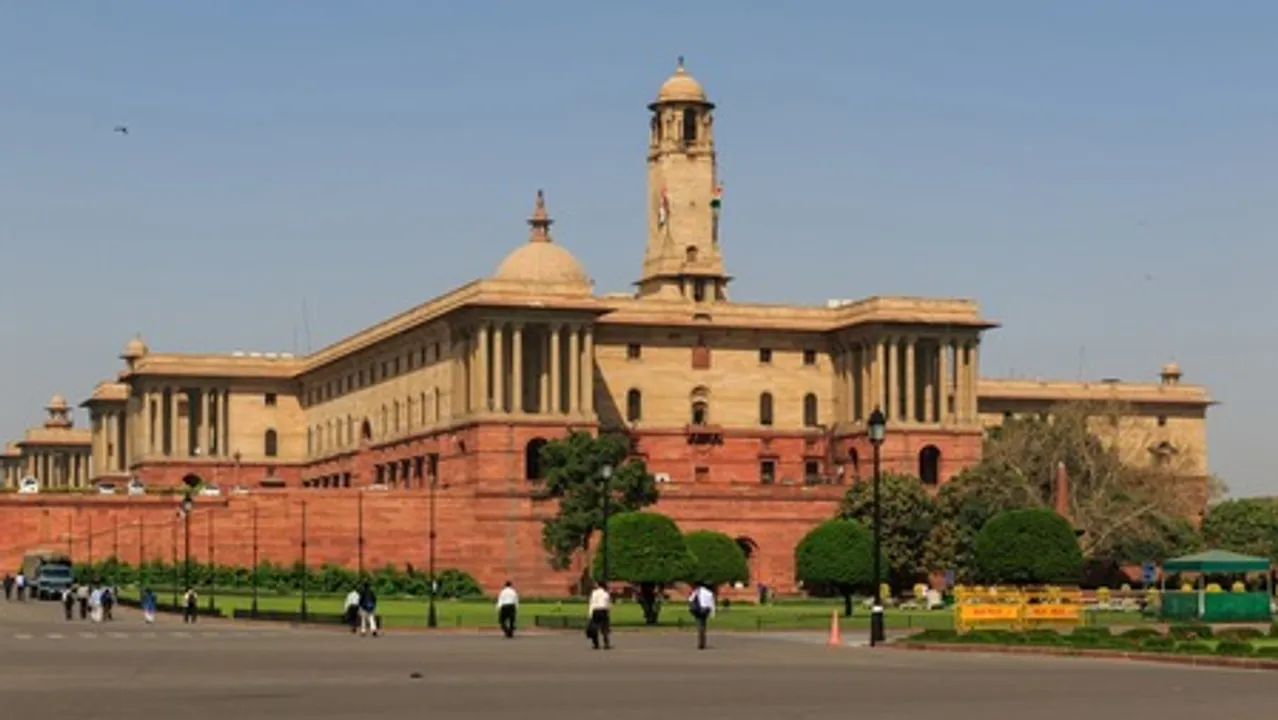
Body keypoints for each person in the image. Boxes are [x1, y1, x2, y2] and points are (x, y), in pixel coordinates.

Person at [688, 582, 716, 650]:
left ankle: (701, 642)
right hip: (705, 610)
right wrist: (712, 613)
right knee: (703, 625)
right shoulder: (709, 593)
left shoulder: (696, 591)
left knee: (699, 625)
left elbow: (690, 599)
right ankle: (702, 641)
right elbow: (712, 604)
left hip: (698, 610)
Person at [586, 581, 612, 650]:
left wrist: (590, 613)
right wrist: (608, 612)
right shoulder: (606, 593)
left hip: (596, 610)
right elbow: (608, 604)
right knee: (604, 628)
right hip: (603, 610)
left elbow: (592, 603)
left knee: (594, 628)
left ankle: (596, 644)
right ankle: (606, 644)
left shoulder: (594, 593)